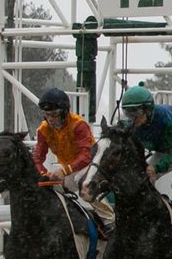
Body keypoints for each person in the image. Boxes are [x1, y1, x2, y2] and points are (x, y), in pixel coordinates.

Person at [118, 85, 172, 246]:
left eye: (136, 115)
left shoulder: (169, 120)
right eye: (129, 115)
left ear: (148, 110)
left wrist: (157, 167)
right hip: (165, 149)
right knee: (144, 181)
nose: (133, 120)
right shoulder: (137, 122)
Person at [31, 87, 113, 228]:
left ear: (64, 112)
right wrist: (44, 175)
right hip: (70, 169)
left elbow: (86, 156)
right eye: (47, 115)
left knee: (84, 184)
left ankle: (110, 220)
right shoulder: (43, 130)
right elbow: (37, 159)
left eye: (54, 114)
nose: (50, 119)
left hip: (92, 166)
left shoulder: (78, 125)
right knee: (48, 188)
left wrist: (64, 171)